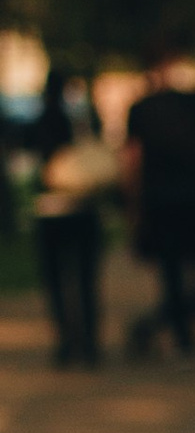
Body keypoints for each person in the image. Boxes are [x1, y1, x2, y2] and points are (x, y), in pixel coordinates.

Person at [123, 56, 195, 358]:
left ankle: (184, 339)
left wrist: (133, 207)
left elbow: (132, 160)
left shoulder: (140, 109)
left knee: (171, 270)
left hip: (159, 200)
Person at [30, 68, 113, 370]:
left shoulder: (40, 122)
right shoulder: (82, 121)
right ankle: (88, 342)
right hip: (83, 209)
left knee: (56, 281)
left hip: (50, 211)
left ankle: (67, 341)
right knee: (86, 279)